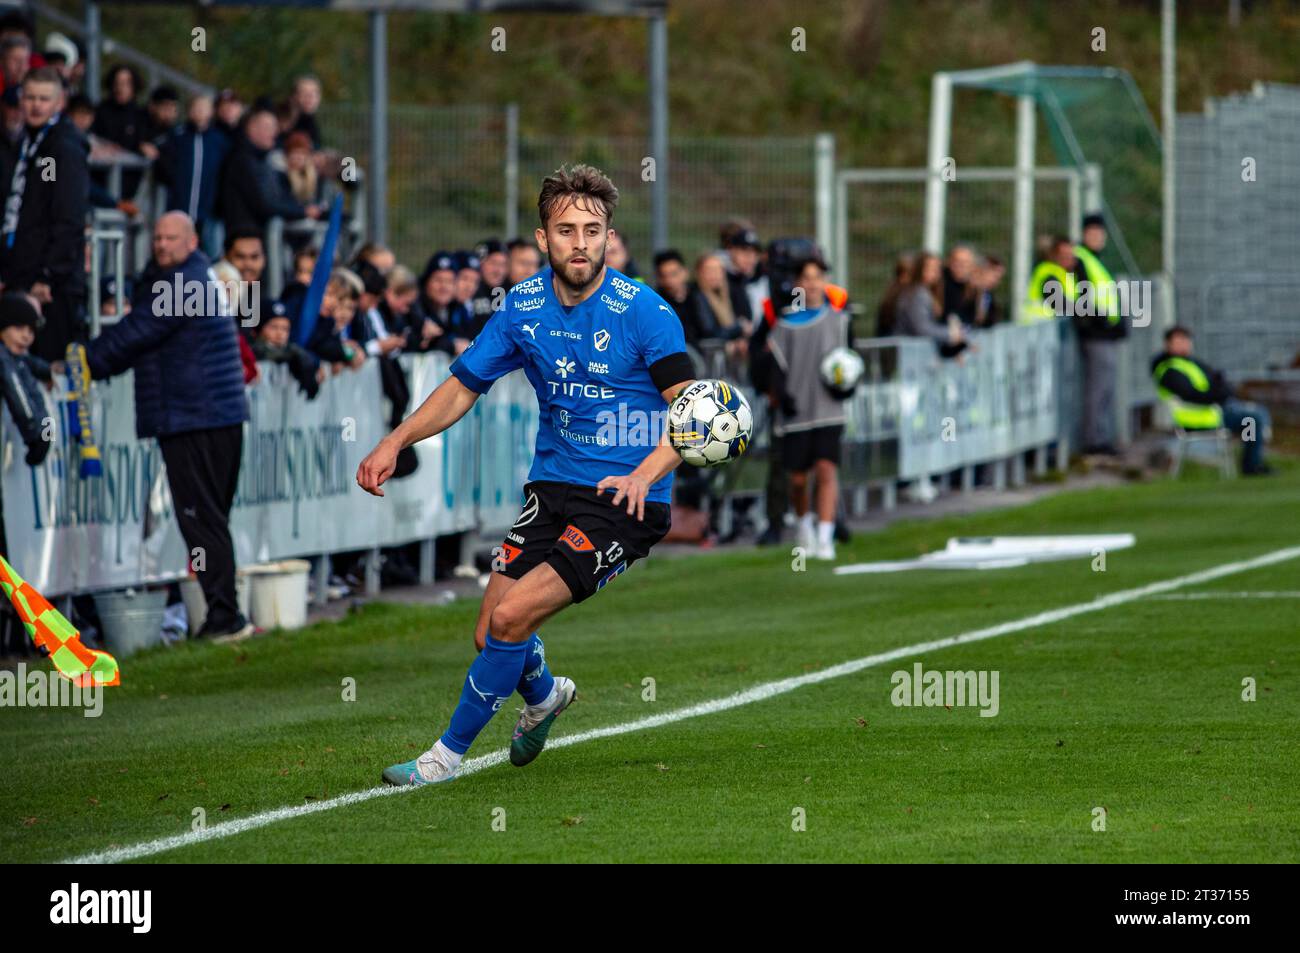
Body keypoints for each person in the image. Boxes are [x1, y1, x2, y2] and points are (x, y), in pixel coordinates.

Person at [357, 164, 694, 786]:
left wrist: (647, 472)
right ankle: (543, 697)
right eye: (566, 230)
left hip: (625, 498)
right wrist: (395, 439)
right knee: (490, 634)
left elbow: (692, 412)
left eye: (593, 230)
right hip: (552, 486)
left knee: (513, 620)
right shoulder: (523, 306)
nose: (580, 243)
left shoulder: (645, 311)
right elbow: (463, 386)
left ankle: (443, 758)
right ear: (543, 239)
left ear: (609, 236)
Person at [85, 212, 253, 640]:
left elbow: (135, 334)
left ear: (192, 240)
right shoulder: (192, 278)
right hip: (212, 415)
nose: (161, 245)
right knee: (209, 518)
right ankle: (224, 613)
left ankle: (223, 617)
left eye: (171, 238)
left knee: (200, 517)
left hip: (195, 417)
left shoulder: (183, 285)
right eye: (157, 237)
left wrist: (80, 363)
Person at [0, 67, 89, 363]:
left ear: (59, 102)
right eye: (30, 98)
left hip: (50, 286)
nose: (36, 105)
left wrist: (48, 275)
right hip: (23, 274)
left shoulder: (57, 149)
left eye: (44, 99)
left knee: (47, 367)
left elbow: (66, 214)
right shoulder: (28, 143)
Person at [766, 249, 849, 561]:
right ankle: (804, 524)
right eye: (806, 279)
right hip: (797, 412)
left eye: (818, 278)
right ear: (798, 283)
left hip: (830, 409)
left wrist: (846, 387)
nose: (813, 285)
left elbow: (849, 361)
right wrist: (781, 394)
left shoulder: (839, 320)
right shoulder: (786, 324)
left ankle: (826, 537)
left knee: (827, 470)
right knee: (799, 479)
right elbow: (776, 363)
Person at [1151, 326, 1272, 476]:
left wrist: (1222, 391)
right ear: (1168, 344)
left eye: (1186, 340)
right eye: (1179, 341)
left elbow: (1218, 382)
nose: (1184, 344)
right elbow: (1192, 395)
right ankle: (1251, 465)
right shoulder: (1169, 370)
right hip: (1200, 417)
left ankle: (1253, 456)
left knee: (1257, 412)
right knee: (1252, 420)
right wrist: (1219, 394)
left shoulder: (1191, 363)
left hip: (1213, 411)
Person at [0, 293, 50, 585]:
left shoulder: (18, 360)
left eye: (31, 330)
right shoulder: (5, 360)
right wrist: (39, 438)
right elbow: (28, 409)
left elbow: (33, 372)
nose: (27, 336)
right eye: (20, 327)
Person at [1072, 213, 1126, 455]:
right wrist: (1102, 322)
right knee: (1098, 388)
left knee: (1105, 388)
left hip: (1105, 334)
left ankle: (1101, 437)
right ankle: (1094, 441)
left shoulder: (1096, 261)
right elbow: (1083, 298)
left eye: (1100, 233)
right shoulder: (1082, 260)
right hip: (1096, 335)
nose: (1097, 238)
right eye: (1092, 233)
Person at [895, 252, 966, 358]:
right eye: (932, 268)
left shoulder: (927, 293)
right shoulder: (917, 294)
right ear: (920, 269)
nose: (936, 272)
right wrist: (951, 333)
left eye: (938, 268)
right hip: (908, 355)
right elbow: (922, 328)